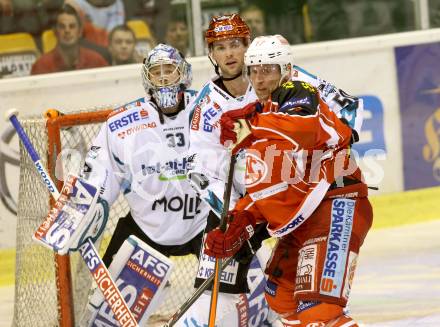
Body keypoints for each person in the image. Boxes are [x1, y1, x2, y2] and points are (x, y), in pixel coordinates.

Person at [204, 35, 373, 327]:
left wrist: (250, 127)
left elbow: (303, 130)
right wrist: (239, 223)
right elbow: (267, 187)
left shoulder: (298, 92)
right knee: (280, 297)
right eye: (253, 70)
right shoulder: (259, 116)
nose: (259, 79)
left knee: (319, 312)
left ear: (286, 70)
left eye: (268, 69)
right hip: (304, 218)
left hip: (336, 206)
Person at [31, 4, 108, 75]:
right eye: (62, 26)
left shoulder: (96, 61)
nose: (67, 31)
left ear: (80, 32)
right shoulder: (42, 65)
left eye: (72, 26)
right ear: (55, 32)